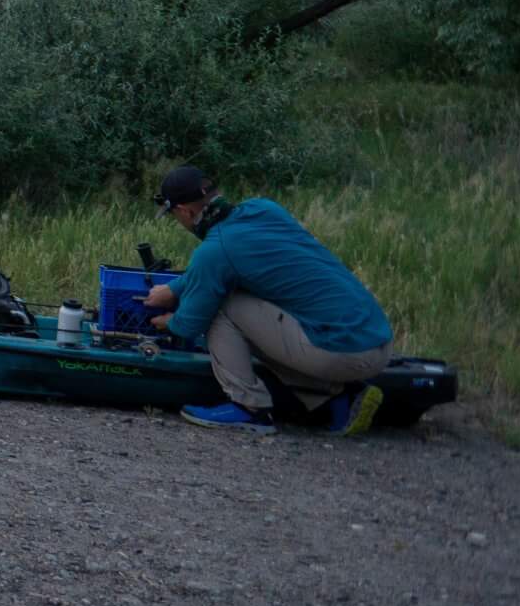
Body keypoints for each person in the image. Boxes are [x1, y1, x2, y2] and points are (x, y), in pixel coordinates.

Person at [141, 165, 393, 435]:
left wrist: (168, 322)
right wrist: (173, 290)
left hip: (343, 352)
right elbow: (222, 265)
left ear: (183, 211)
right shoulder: (264, 209)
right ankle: (342, 397)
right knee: (249, 303)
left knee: (222, 307)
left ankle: (249, 408)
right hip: (376, 338)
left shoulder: (216, 249)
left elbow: (190, 323)